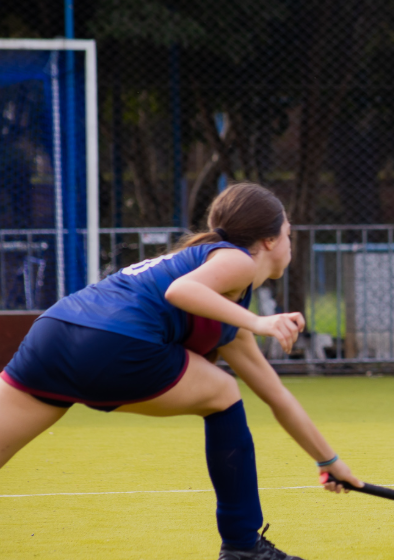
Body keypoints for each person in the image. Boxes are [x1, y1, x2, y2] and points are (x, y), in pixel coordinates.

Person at [0, 183, 361, 560]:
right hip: (114, 343)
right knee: (223, 392)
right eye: (288, 232)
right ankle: (243, 546)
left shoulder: (226, 311)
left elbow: (278, 397)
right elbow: (181, 292)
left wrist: (329, 462)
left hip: (53, 334)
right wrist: (261, 322)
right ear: (269, 241)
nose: (291, 241)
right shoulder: (237, 261)